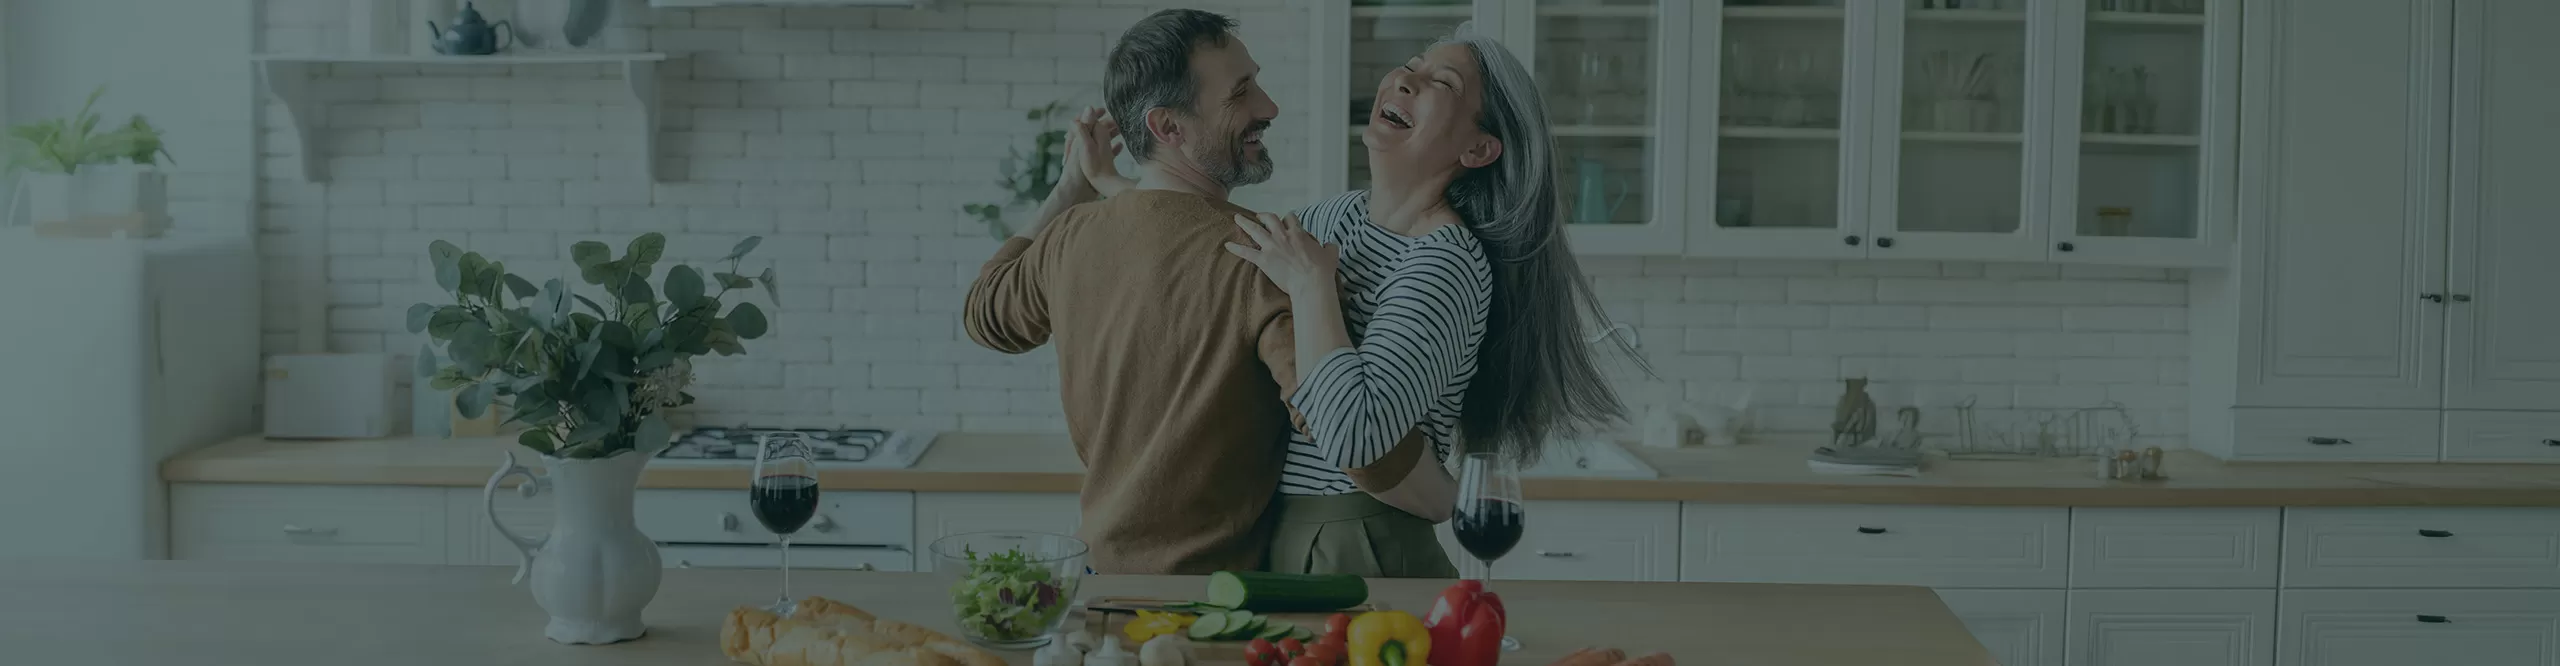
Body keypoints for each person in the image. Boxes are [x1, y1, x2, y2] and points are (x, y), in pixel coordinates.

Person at [1079, 31, 1632, 578]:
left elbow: (1357, 436)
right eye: (1412, 65)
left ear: (1479, 149)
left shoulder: (1445, 263)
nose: (1406, 79)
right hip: (1280, 532)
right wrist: (1114, 182)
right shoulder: (1335, 217)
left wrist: (1313, 289)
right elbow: (1221, 245)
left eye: (1441, 82)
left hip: (1361, 541)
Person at [961, 9, 1296, 575]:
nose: (1268, 107)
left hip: (1096, 582)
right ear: (1168, 127)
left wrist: (1069, 189)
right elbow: (1338, 421)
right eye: (1241, 93)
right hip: (1215, 602)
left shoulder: (1071, 236)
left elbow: (984, 314)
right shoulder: (1263, 253)